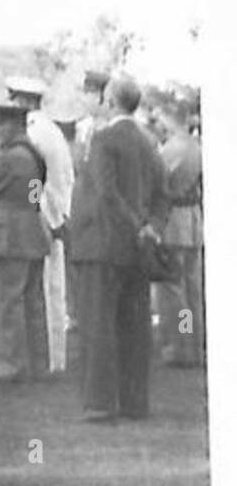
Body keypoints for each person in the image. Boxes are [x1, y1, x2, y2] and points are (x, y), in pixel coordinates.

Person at [68, 74, 169, 419]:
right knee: (134, 327)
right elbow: (161, 197)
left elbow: (106, 192)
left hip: (101, 243)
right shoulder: (149, 143)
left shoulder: (104, 139)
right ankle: (134, 401)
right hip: (137, 250)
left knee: (98, 325)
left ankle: (99, 402)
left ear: (110, 102)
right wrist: (150, 228)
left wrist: (136, 226)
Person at [0, 102, 51, 382]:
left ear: (12, 126)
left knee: (6, 303)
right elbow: (35, 195)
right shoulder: (34, 155)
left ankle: (12, 365)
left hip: (9, 234)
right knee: (33, 303)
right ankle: (37, 362)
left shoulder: (9, 158)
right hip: (31, 229)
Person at [5, 76, 74, 374]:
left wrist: (41, 212)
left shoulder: (34, 133)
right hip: (58, 211)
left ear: (21, 100)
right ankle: (53, 356)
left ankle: (47, 358)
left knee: (43, 289)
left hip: (44, 214)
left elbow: (36, 180)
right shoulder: (53, 130)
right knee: (52, 288)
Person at [153, 96, 204, 369]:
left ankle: (181, 343)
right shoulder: (196, 146)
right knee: (192, 288)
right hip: (193, 219)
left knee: (175, 290)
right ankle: (194, 343)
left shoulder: (171, 149)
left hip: (174, 221)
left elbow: (159, 183)